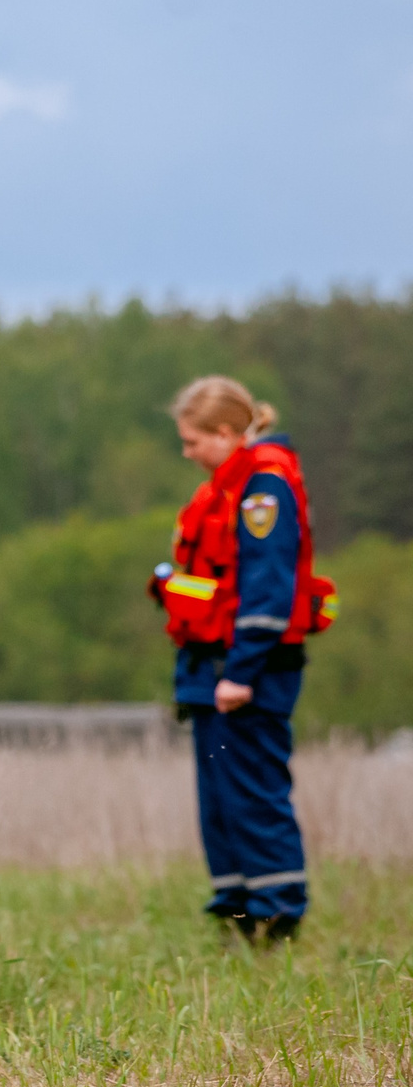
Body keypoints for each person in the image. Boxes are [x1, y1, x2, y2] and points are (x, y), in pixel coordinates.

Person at [153, 375, 335, 942]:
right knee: (220, 801)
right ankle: (237, 913)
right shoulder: (222, 489)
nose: (187, 453)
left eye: (193, 441)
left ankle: (278, 916)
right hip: (208, 669)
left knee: (254, 793)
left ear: (227, 432)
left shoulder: (264, 491)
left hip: (249, 673)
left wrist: (241, 672)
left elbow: (268, 588)